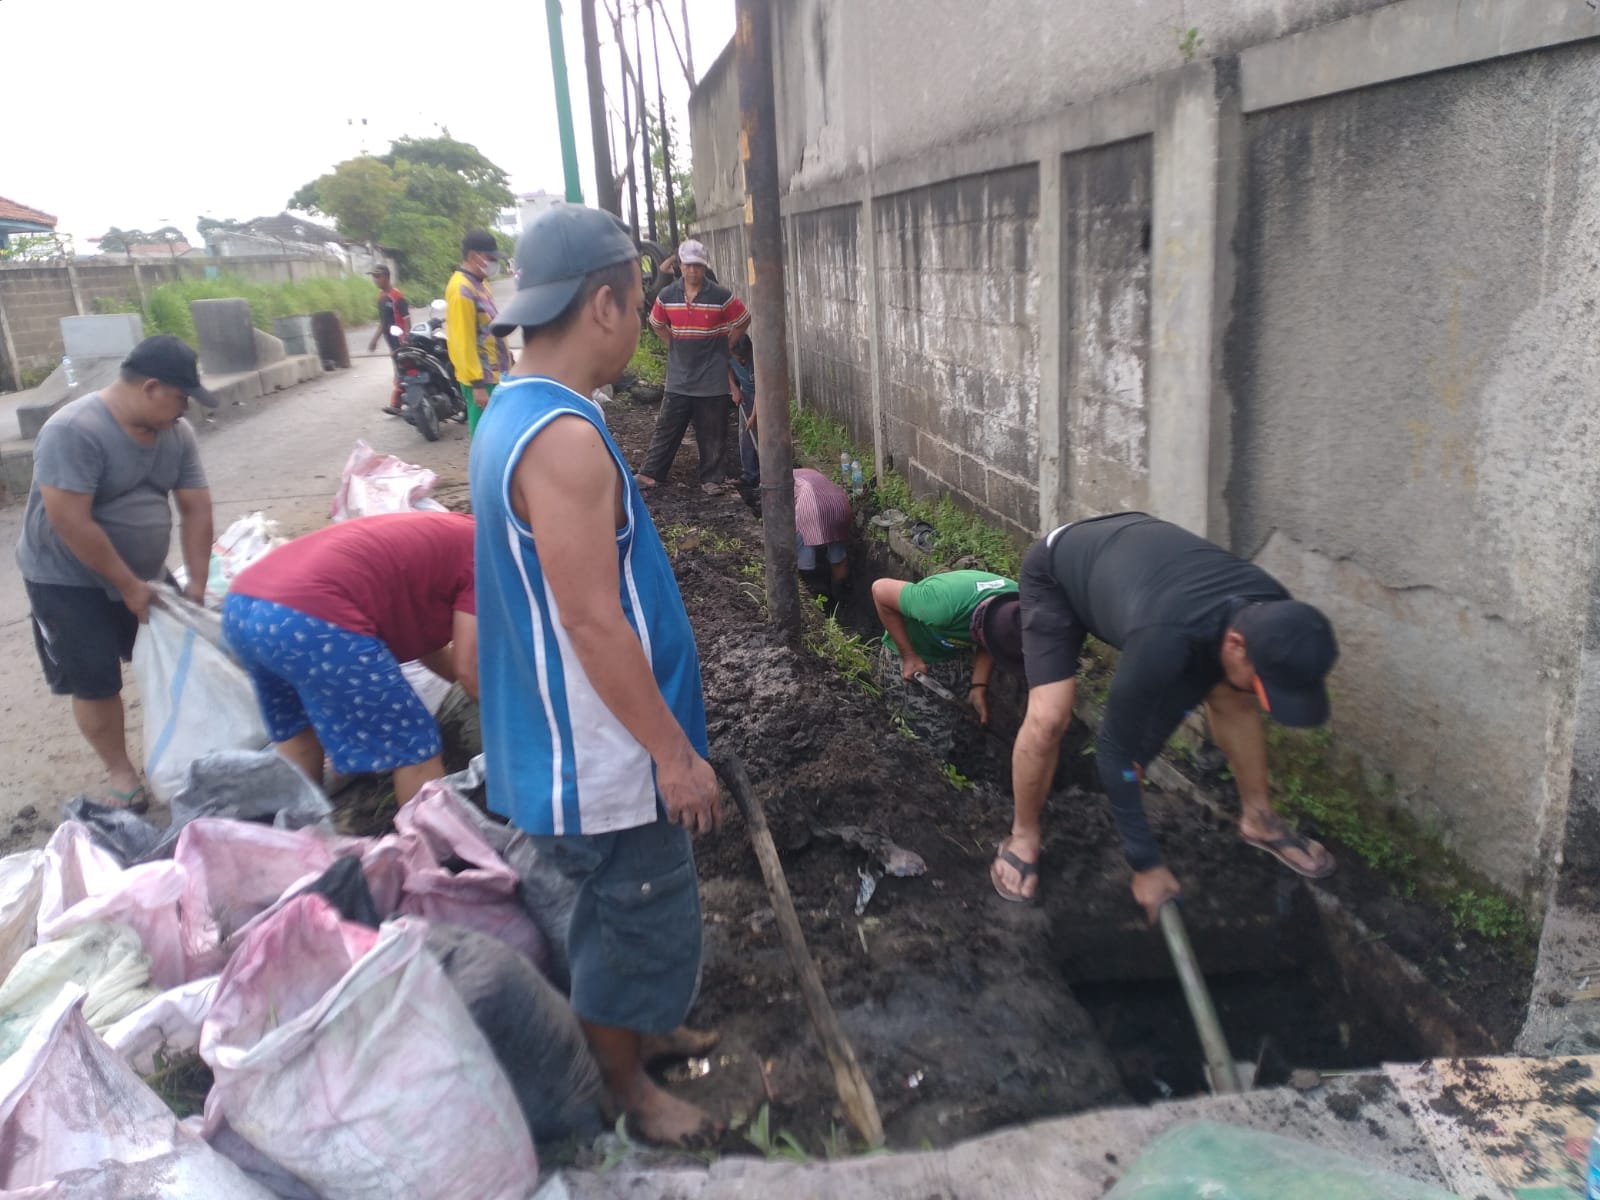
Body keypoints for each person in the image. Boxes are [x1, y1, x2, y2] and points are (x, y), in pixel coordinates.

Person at [472, 203, 722, 1146]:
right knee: (631, 917)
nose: (643, 323)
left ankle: (640, 1036)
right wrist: (673, 754)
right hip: (603, 753)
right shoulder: (566, 442)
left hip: (561, 732)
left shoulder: (514, 410)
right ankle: (630, 1092)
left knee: (624, 913)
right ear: (608, 304)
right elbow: (586, 615)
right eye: (640, 302)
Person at [998, 511, 1340, 918]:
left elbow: (1192, 685)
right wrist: (1146, 863)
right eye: (1264, 681)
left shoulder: (1272, 609)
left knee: (1234, 695)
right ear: (1235, 643)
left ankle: (1259, 819)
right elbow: (1114, 750)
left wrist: (1141, 754)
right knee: (1050, 716)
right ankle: (1022, 835)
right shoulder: (1165, 639)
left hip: (1140, 565)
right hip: (1058, 571)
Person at [16, 335, 216, 811]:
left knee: (182, 656)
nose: (185, 407)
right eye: (180, 396)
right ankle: (121, 772)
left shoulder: (176, 434)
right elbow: (70, 521)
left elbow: (196, 508)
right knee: (95, 678)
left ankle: (188, 749)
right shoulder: (74, 430)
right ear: (151, 387)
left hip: (144, 571)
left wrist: (197, 584)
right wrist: (127, 586)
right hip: (65, 578)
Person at [221, 511, 477, 806]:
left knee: (300, 735)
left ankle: (294, 838)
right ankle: (428, 848)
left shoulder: (452, 532)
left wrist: (466, 686)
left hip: (242, 605)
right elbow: (471, 671)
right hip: (308, 620)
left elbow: (432, 649)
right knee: (413, 747)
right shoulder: (491, 555)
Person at [635, 238, 750, 496]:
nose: (692, 271)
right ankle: (651, 472)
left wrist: (726, 344)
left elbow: (743, 319)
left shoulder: (720, 296)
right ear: (681, 266)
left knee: (713, 429)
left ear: (703, 266)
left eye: (697, 266)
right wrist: (673, 344)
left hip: (711, 376)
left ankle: (712, 479)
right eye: (688, 265)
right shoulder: (668, 295)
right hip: (680, 375)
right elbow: (656, 323)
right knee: (668, 424)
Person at [873, 569, 1023, 736]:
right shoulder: (939, 606)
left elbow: (993, 642)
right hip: (912, 652)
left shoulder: (1019, 610)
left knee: (956, 726)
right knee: (917, 731)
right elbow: (880, 589)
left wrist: (978, 685)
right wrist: (908, 655)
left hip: (954, 651)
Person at [445, 229, 511, 437]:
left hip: (495, 374)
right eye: (490, 258)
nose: (493, 263)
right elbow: (462, 341)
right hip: (482, 380)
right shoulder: (461, 289)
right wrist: (477, 385)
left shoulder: (481, 284)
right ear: (474, 257)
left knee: (498, 433)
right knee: (485, 437)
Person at [793, 467, 851, 601]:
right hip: (840, 504)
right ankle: (840, 598)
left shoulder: (783, 480)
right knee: (838, 552)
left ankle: (813, 593)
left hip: (811, 506)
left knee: (803, 543)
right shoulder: (810, 472)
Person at [367, 264, 410, 414]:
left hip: (400, 341)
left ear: (386, 277)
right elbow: (383, 323)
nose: (376, 280)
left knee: (402, 370)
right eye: (374, 277)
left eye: (378, 276)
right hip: (391, 342)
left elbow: (407, 318)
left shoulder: (397, 296)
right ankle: (401, 400)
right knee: (399, 370)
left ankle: (397, 402)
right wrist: (375, 340)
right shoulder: (380, 297)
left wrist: (407, 338)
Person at [726, 334, 759, 489]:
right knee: (745, 436)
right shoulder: (729, 355)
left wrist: (753, 416)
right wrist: (734, 389)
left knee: (763, 435)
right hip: (745, 394)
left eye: (745, 358)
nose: (743, 362)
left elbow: (762, 390)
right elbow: (727, 369)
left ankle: (769, 476)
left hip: (762, 397)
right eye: (740, 359)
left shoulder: (758, 360)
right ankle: (749, 475)